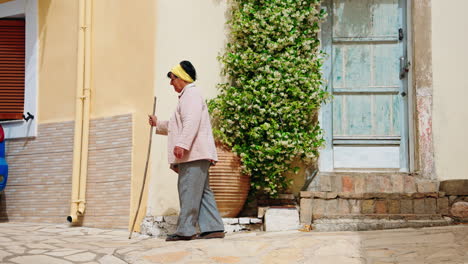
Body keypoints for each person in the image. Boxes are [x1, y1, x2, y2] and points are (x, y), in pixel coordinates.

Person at [148, 60, 225, 242]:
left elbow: (191, 121)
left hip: (194, 155)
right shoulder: (188, 96)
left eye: (172, 78)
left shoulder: (191, 95)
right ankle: (214, 227)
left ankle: (185, 230)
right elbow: (178, 125)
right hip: (197, 154)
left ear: (181, 78)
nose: (171, 83)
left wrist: (182, 144)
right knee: (202, 192)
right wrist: (158, 124)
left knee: (188, 190)